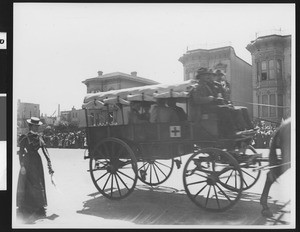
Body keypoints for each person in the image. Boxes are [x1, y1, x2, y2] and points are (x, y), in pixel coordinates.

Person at [17, 117, 55, 221]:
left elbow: (45, 151)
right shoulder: (24, 138)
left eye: (38, 126)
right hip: (27, 162)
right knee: (27, 184)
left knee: (38, 183)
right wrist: (22, 166)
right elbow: (20, 152)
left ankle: (39, 206)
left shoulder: (39, 137)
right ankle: (26, 206)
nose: (37, 128)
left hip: (37, 163)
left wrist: (49, 165)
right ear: (31, 126)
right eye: (36, 126)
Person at [191, 67, 242, 138]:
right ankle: (230, 132)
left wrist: (217, 99)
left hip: (210, 107)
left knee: (231, 109)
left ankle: (238, 129)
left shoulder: (206, 85)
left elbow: (213, 97)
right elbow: (197, 99)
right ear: (200, 77)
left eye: (208, 75)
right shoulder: (197, 87)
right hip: (203, 109)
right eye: (205, 75)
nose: (207, 76)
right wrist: (209, 98)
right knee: (224, 109)